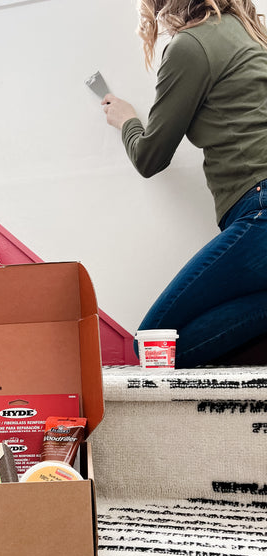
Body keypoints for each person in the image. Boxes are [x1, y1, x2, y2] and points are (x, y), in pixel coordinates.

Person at [102, 0, 267, 367]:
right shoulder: (254, 34)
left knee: (152, 346)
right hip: (258, 207)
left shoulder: (190, 46)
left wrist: (127, 119)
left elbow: (150, 157)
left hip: (259, 210)